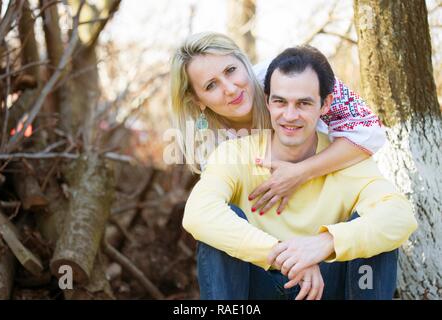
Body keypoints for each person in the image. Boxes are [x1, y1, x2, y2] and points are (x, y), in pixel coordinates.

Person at [182, 45, 417, 300]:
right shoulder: (230, 154)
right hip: (260, 283)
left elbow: (400, 216)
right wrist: (283, 255)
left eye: (303, 103)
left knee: (374, 236)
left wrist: (327, 243)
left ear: (325, 104)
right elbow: (198, 213)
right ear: (267, 100)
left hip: (328, 286)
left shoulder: (347, 158)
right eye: (280, 102)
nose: (290, 115)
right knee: (216, 234)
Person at [170, 32, 385, 215]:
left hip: (332, 203)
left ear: (243, 62)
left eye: (230, 70)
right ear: (197, 99)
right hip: (269, 226)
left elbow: (369, 130)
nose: (231, 89)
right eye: (210, 86)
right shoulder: (205, 139)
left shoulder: (287, 74)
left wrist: (302, 171)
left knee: (373, 214)